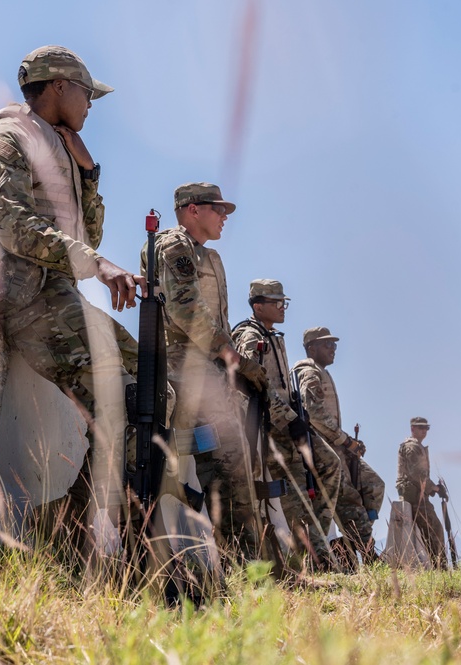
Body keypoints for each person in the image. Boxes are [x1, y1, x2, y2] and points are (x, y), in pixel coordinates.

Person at [0, 45, 140, 561]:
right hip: (24, 298)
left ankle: (64, 524)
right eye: (87, 93)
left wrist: (86, 174)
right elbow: (14, 226)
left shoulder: (54, 142)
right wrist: (98, 265)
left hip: (54, 294)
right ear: (59, 85)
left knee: (152, 387)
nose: (90, 105)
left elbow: (85, 231)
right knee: (127, 403)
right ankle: (61, 534)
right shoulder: (7, 136)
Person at [140, 183, 268, 562]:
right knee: (230, 466)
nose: (224, 216)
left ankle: (235, 564)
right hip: (185, 377)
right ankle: (251, 567)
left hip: (206, 378)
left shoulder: (206, 255)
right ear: (193, 209)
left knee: (226, 467)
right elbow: (185, 311)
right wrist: (234, 358)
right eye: (218, 209)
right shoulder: (174, 245)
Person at [232, 280, 341, 570]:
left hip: (289, 422)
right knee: (291, 495)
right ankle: (312, 558)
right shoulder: (250, 334)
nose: (282, 308)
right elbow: (252, 381)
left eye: (284, 302)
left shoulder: (274, 336)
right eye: (276, 302)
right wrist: (289, 422)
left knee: (329, 465)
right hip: (269, 426)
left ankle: (315, 548)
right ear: (258, 306)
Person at [293, 327, 385, 565]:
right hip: (322, 452)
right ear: (311, 347)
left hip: (338, 449)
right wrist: (344, 440)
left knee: (372, 486)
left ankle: (357, 546)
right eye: (327, 345)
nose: (333, 349)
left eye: (334, 345)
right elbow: (312, 411)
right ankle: (351, 554)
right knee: (343, 502)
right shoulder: (308, 370)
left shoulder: (321, 371)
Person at [396, 417, 446, 569]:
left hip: (417, 492)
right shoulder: (412, 446)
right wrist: (435, 489)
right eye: (420, 428)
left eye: (426, 428)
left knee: (431, 530)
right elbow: (416, 473)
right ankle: (440, 568)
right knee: (434, 529)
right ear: (413, 428)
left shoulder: (418, 446)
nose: (424, 431)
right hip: (414, 493)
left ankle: (438, 566)